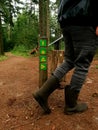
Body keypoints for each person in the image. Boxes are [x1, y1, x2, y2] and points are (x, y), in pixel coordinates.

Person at [33, 0, 98, 115]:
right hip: (84, 19)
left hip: (66, 20)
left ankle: (42, 93)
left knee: (69, 60)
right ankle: (71, 105)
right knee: (82, 64)